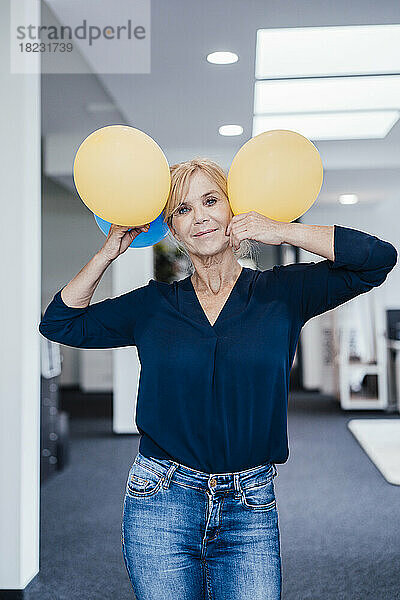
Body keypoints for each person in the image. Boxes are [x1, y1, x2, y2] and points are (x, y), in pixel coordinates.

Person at [39, 158, 397, 599]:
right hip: (161, 499)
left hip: (250, 504)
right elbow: (59, 323)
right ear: (173, 229)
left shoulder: (281, 293)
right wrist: (107, 252)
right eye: (183, 210)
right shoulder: (152, 306)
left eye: (211, 201)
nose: (201, 216)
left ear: (234, 210)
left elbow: (378, 259)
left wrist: (281, 229)